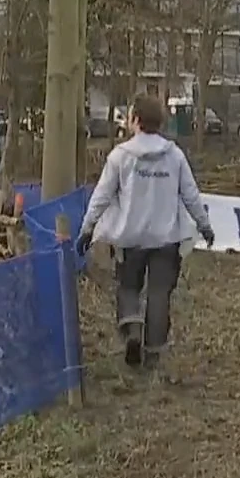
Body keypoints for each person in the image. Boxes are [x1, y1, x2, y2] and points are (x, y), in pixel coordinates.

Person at [76, 94, 216, 367]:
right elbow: (191, 195)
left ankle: (132, 330)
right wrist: (205, 226)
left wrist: (87, 229)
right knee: (159, 293)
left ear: (136, 120)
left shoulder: (120, 157)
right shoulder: (174, 155)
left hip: (130, 238)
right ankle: (153, 353)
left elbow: (101, 196)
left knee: (128, 287)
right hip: (166, 239)